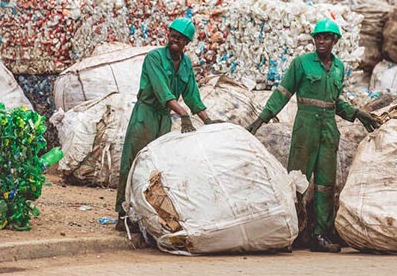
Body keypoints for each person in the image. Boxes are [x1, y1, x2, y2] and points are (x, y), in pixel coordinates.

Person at [246, 19, 380, 253]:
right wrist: (262, 118)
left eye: (327, 37)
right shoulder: (301, 63)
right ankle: (291, 233)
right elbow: (283, 93)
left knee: (325, 185)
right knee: (297, 181)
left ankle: (319, 235)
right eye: (318, 37)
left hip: (328, 129)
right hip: (305, 127)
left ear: (335, 41)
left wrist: (358, 113)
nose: (321, 41)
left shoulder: (338, 67)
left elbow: (336, 102)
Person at [115, 17, 222, 231]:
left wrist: (208, 121)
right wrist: (182, 114)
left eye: (180, 39)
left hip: (164, 117)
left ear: (186, 43)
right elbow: (161, 89)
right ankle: (123, 213)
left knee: (157, 168)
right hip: (145, 115)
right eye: (173, 36)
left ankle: (149, 213)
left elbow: (192, 94)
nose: (175, 41)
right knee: (133, 161)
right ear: (168, 35)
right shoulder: (154, 58)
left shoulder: (185, 64)